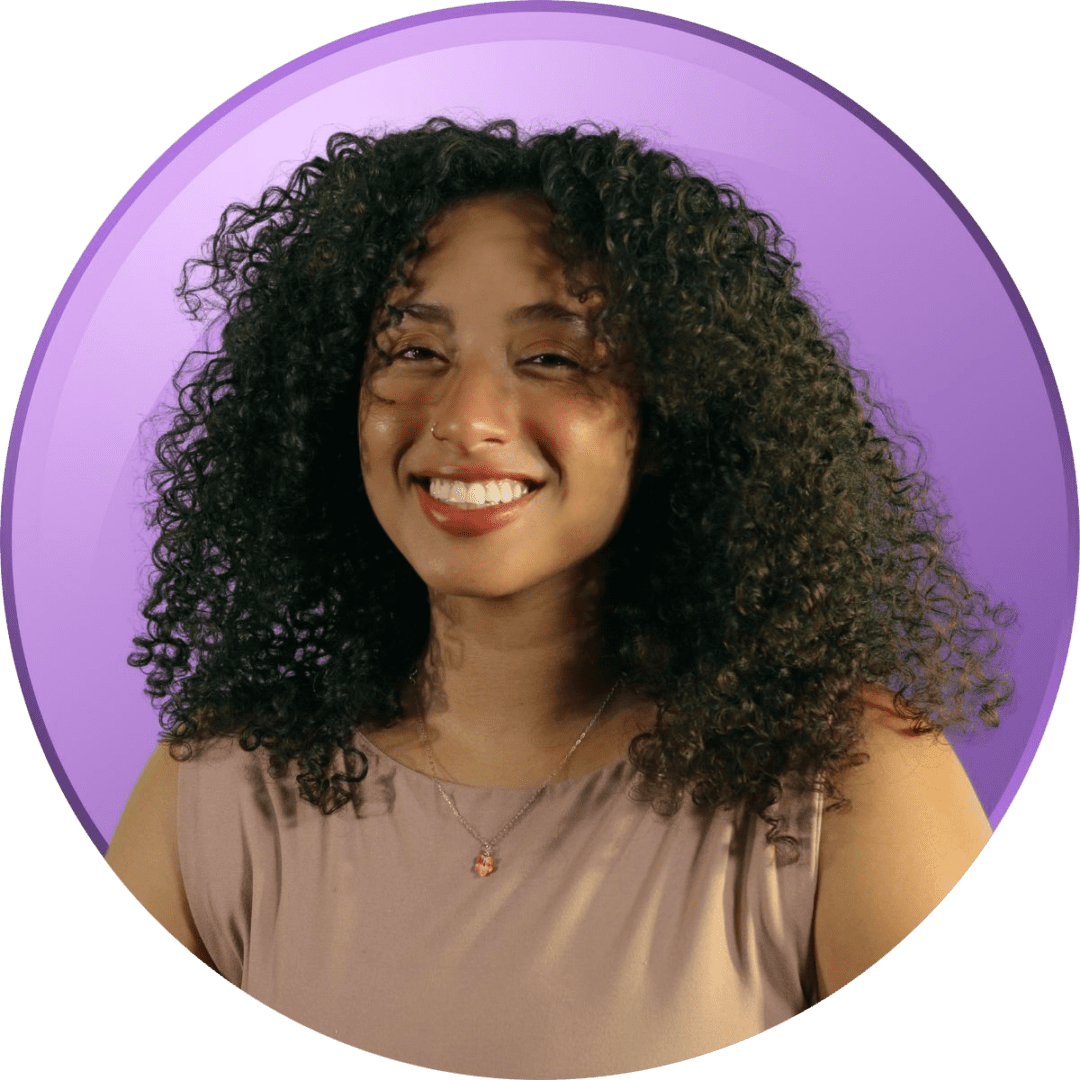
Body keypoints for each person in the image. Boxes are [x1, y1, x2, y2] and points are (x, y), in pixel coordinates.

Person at [106, 119, 1010, 1078]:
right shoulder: (220, 787)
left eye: (552, 359)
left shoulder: (843, 780)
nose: (465, 421)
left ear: (665, 415)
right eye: (413, 351)